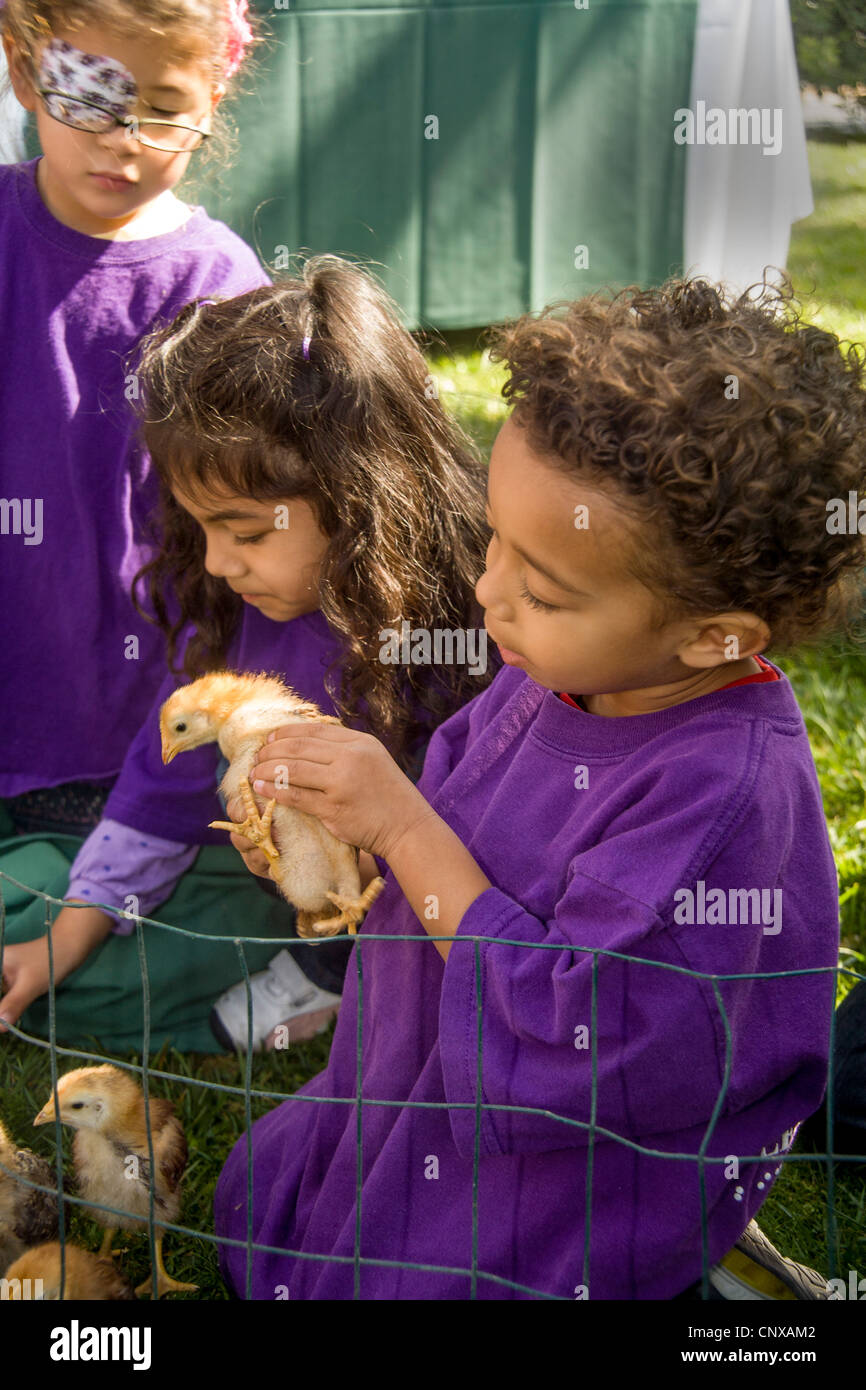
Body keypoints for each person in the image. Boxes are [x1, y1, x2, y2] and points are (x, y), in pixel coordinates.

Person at [214, 276, 866, 1299]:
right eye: (494, 542)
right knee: (282, 1207)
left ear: (712, 636)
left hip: (552, 1189)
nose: (485, 592)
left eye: (541, 586)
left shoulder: (715, 804)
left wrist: (403, 825)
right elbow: (458, 840)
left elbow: (580, 1035)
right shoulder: (559, 671)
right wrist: (342, 846)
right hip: (420, 1088)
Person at [0, 258, 496, 1053]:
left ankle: (340, 977)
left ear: (361, 491)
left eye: (249, 532)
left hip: (449, 907)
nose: (219, 563)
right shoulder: (243, 607)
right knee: (44, 909)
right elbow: (167, 776)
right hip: (284, 883)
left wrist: (382, 872)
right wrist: (80, 922)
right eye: (201, 529)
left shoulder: (472, 616)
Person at [0, 0, 268, 833]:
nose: (124, 138)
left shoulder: (222, 285)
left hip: (132, 728)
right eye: (89, 94)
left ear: (212, 102)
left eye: (163, 108)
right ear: (22, 73)